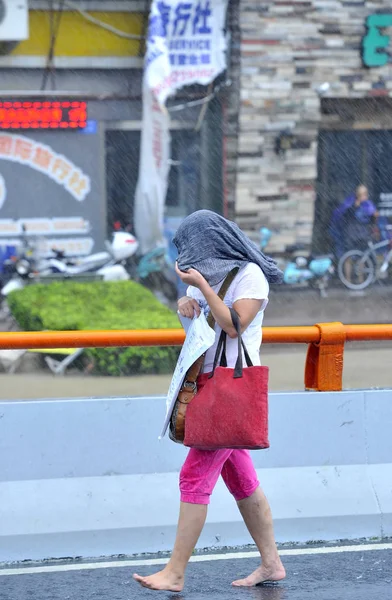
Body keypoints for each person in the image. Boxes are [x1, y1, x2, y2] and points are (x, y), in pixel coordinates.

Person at [133, 210, 286, 592]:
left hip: (232, 391)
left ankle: (175, 572)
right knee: (242, 480)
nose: (189, 259)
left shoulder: (250, 275)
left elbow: (234, 325)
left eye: (192, 250)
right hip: (206, 385)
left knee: (193, 475)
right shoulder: (203, 278)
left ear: (209, 245)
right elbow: (198, 319)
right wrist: (187, 304)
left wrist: (201, 285)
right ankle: (271, 564)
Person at [329, 185, 378, 259]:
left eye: (365, 194)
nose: (364, 196)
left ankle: (360, 270)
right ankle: (347, 270)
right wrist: (355, 206)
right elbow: (343, 214)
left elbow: (373, 216)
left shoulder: (368, 204)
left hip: (363, 235)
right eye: (362, 194)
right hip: (350, 234)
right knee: (348, 256)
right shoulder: (350, 202)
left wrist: (374, 217)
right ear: (357, 194)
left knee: (363, 256)